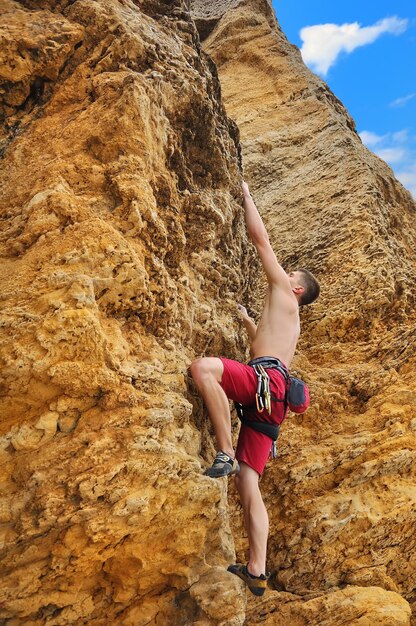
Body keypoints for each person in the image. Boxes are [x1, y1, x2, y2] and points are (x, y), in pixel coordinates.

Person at [190, 181, 320, 596]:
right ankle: (257, 569)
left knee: (204, 370)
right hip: (273, 400)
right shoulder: (285, 317)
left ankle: (224, 450)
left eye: (291, 273)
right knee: (250, 485)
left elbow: (259, 239)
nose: (285, 273)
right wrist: (247, 320)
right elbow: (265, 343)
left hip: (263, 385)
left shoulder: (283, 290)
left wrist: (245, 193)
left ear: (296, 288)